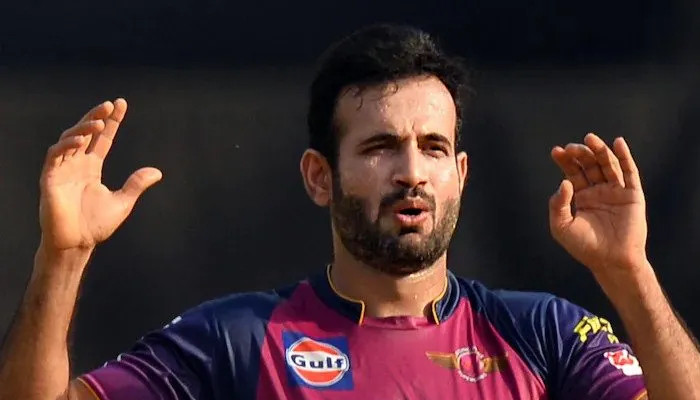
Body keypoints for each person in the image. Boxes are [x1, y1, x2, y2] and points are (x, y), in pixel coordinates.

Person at [0, 24, 699, 400]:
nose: (411, 172)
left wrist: (629, 272)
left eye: (433, 147)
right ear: (319, 177)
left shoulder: (543, 335)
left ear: (460, 175)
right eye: (380, 147)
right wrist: (63, 256)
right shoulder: (238, 340)